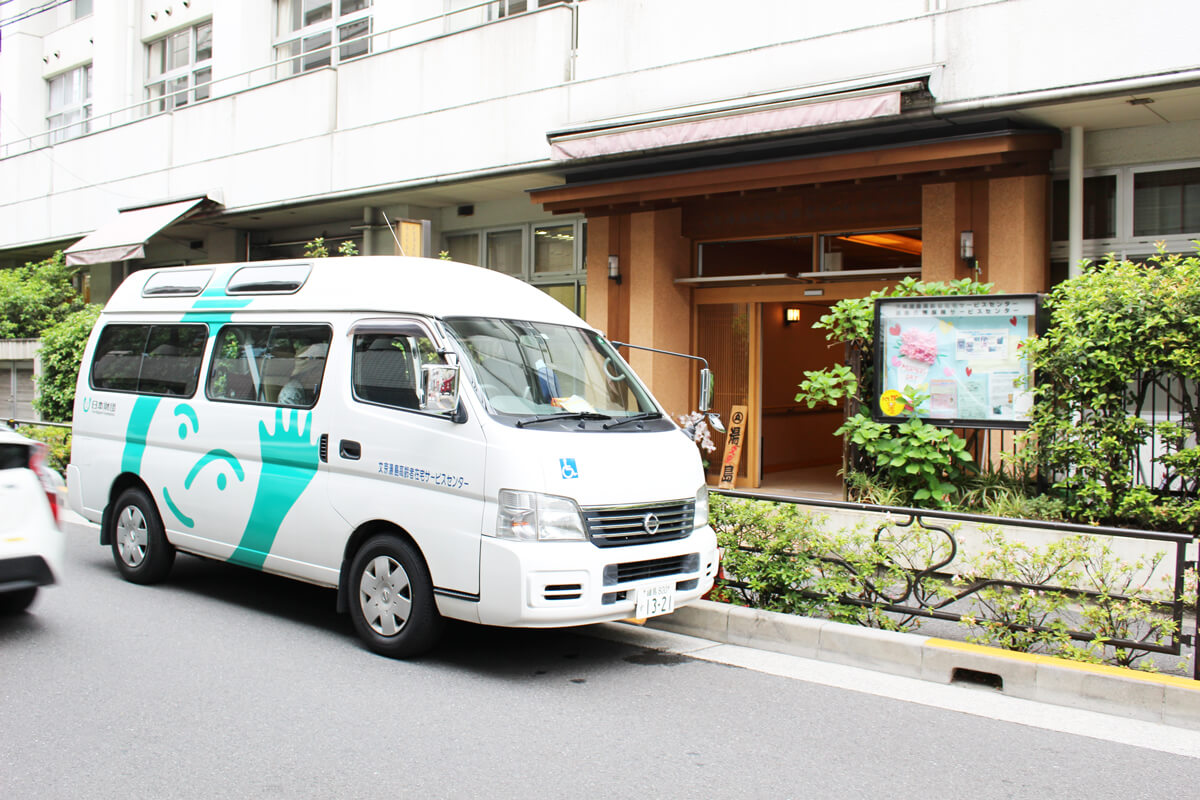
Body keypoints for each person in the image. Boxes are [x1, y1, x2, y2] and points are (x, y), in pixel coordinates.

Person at [277, 342, 328, 406]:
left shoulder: (311, 387)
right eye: (317, 370)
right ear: (307, 373)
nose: (321, 374)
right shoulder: (291, 393)